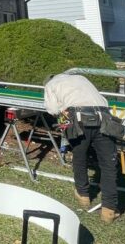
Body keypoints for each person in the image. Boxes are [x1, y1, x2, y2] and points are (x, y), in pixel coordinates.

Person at [43, 73, 120, 223]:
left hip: (78, 118)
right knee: (108, 165)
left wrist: (62, 112)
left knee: (80, 157)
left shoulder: (50, 85)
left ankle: (83, 194)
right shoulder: (80, 77)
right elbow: (102, 99)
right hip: (104, 116)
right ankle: (109, 210)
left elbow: (52, 109)